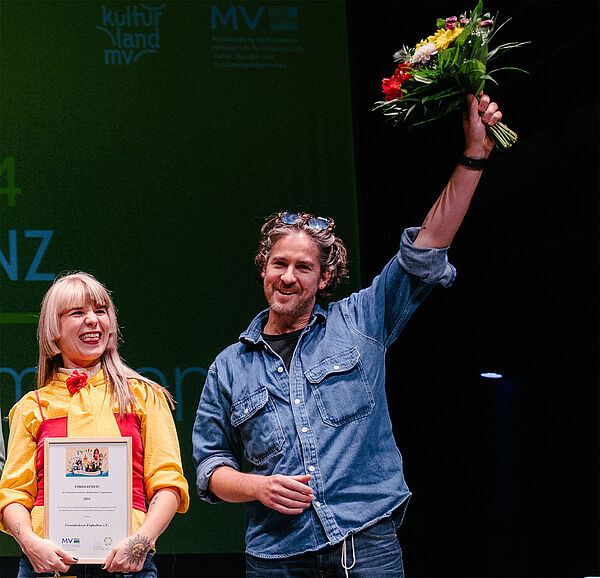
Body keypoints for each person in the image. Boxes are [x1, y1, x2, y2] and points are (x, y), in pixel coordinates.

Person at [192, 92, 503, 576]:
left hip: (366, 546)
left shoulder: (361, 321)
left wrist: (473, 156)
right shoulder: (229, 366)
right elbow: (211, 471)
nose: (288, 276)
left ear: (323, 278)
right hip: (277, 557)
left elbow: (426, 247)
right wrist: (256, 486)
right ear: (263, 270)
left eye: (303, 267)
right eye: (279, 264)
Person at [0, 272, 190, 577]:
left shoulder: (144, 396)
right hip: (47, 567)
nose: (93, 320)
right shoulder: (31, 407)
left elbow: (168, 482)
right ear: (53, 331)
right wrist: (31, 544)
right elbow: (13, 494)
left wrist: (140, 543)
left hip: (129, 565)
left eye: (100, 311)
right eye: (78, 313)